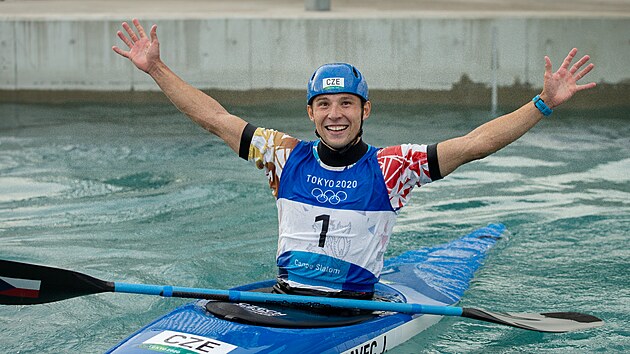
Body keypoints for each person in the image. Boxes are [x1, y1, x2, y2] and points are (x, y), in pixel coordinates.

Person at [113, 19, 596, 300]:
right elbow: (215, 117)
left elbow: (473, 144)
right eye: (324, 104)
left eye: (346, 103)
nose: (335, 114)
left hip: (354, 312)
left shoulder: (392, 168)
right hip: (285, 301)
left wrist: (542, 104)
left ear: (365, 110)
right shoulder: (283, 156)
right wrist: (155, 68)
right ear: (311, 112)